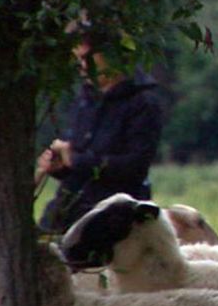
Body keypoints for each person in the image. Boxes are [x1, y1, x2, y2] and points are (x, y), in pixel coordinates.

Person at [38, 17, 164, 234]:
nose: (82, 66)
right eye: (77, 59)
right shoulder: (85, 98)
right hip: (67, 212)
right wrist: (60, 167)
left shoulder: (143, 103)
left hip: (115, 220)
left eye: (88, 58)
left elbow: (134, 167)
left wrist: (76, 160)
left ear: (112, 55)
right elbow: (77, 162)